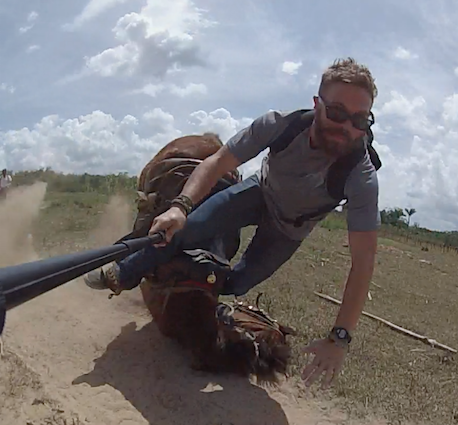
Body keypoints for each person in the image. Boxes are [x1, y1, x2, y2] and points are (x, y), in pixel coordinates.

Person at [84, 57, 380, 389]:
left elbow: (363, 261)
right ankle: (126, 270)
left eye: (359, 119)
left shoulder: (362, 176)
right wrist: (180, 207)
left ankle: (207, 302)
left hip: (289, 229)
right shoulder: (279, 125)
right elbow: (217, 161)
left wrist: (339, 339)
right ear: (317, 104)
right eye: (337, 112)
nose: (347, 128)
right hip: (259, 192)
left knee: (235, 282)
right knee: (191, 226)